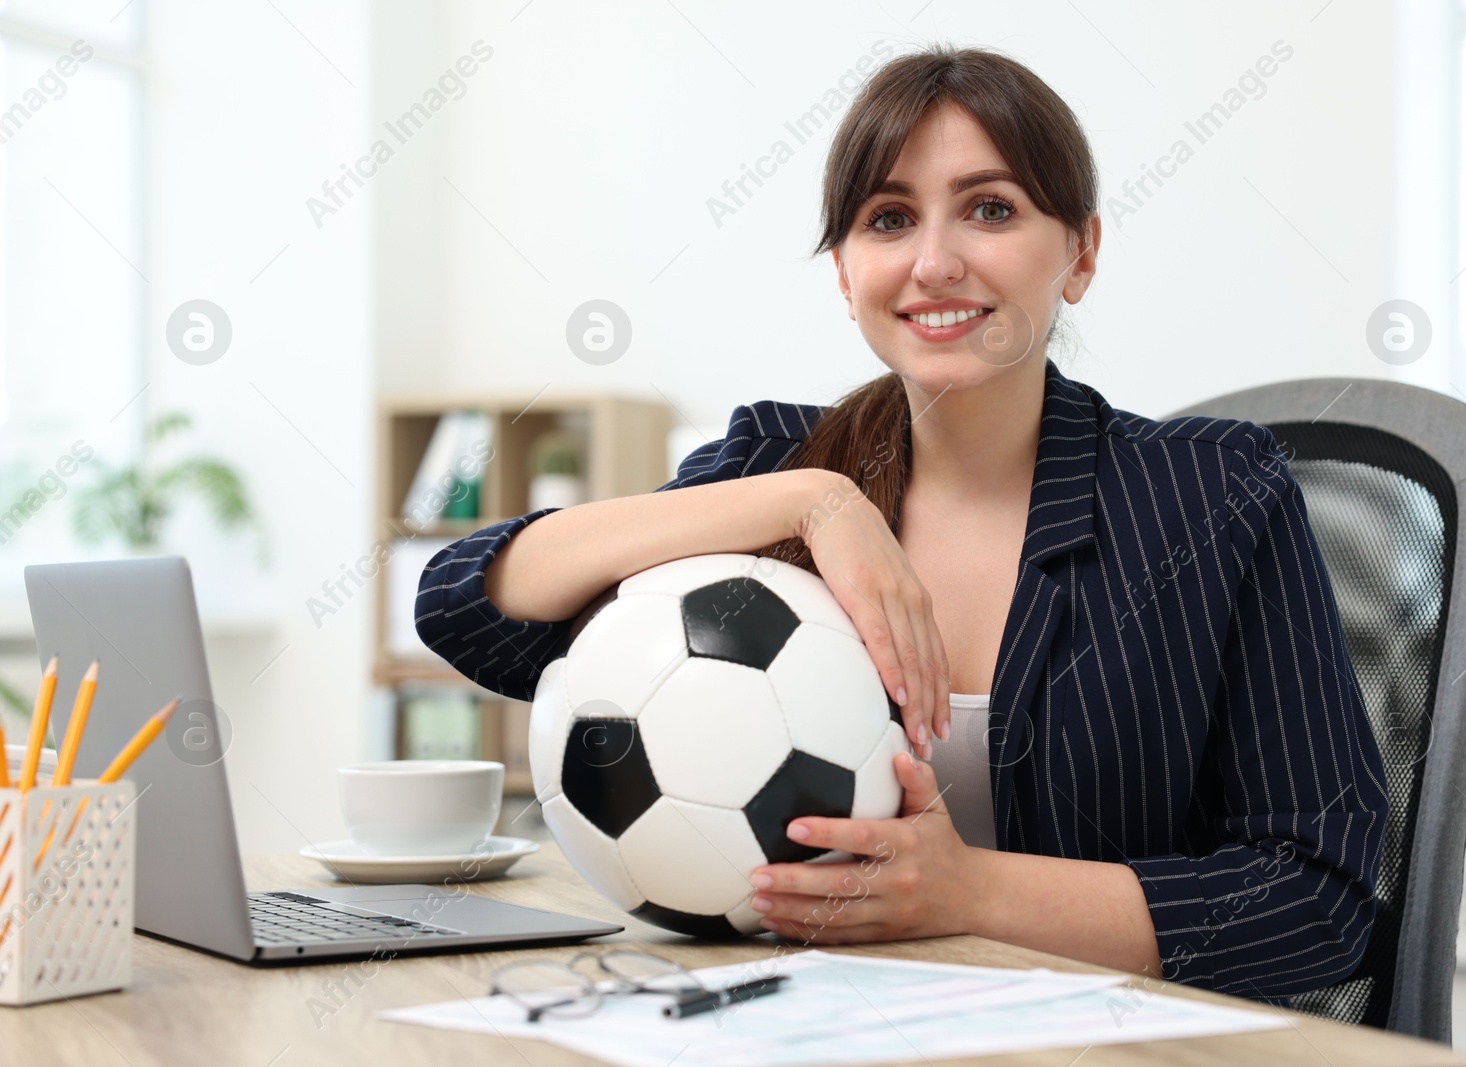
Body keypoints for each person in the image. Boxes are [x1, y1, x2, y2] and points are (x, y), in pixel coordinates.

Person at [416, 44, 1388, 1001]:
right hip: (806, 1021)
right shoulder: (773, 463)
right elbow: (466, 602)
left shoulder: (1209, 495)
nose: (934, 262)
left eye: (990, 208)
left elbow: (1317, 899)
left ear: (1080, 252)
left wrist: (968, 891)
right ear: (844, 273)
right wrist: (811, 501)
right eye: (888, 218)